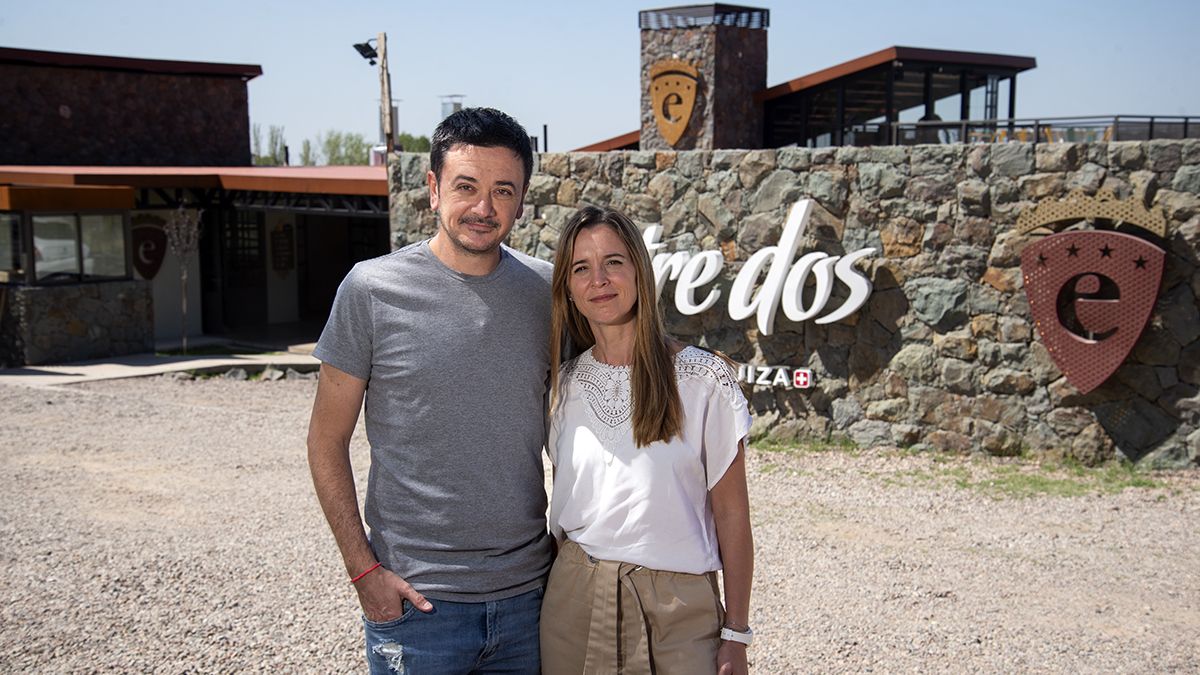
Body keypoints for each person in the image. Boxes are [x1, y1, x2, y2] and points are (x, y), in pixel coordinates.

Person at [307, 107, 552, 674]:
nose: (484, 208)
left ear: (521, 200)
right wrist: (364, 573)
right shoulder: (370, 289)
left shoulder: (545, 291)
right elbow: (325, 441)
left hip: (530, 604)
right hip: (417, 607)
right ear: (434, 188)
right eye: (466, 186)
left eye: (503, 191)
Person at [540, 205, 755, 675]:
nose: (599, 279)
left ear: (640, 270)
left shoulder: (703, 380)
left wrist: (735, 633)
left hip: (680, 611)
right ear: (568, 289)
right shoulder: (565, 386)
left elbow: (733, 514)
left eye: (613, 262)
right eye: (581, 268)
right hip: (573, 604)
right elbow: (566, 504)